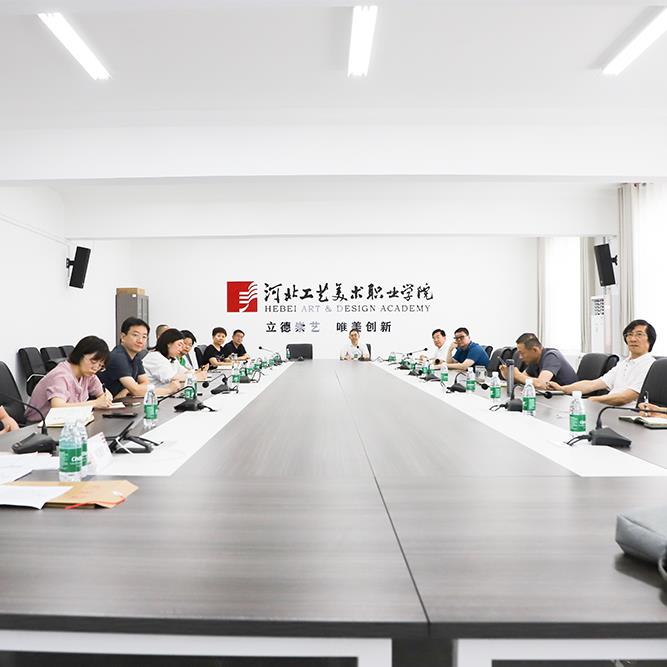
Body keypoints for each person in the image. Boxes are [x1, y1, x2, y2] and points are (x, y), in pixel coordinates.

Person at [548, 319, 656, 407]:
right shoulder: (624, 363)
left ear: (650, 340)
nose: (632, 339)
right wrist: (563, 389)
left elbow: (625, 398)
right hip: (608, 409)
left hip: (627, 413)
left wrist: (594, 400)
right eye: (629, 334)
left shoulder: (650, 365)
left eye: (639, 334)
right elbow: (593, 384)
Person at [26, 336, 113, 422]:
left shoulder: (88, 374)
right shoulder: (61, 375)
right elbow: (57, 407)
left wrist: (105, 398)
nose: (96, 368)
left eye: (100, 365)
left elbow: (104, 394)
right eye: (93, 361)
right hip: (39, 424)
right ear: (80, 355)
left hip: (67, 422)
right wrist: (94, 403)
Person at [98, 317, 180, 399]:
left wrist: (129, 389)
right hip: (106, 403)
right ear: (123, 337)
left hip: (122, 401)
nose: (140, 340)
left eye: (144, 337)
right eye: (135, 335)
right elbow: (136, 390)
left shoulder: (136, 357)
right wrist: (169, 390)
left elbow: (146, 383)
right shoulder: (118, 356)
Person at [500, 333, 578, 390]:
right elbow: (523, 380)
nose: (520, 357)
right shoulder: (534, 360)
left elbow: (540, 384)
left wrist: (517, 375)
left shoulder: (552, 356)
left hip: (568, 398)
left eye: (522, 353)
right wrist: (509, 375)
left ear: (535, 350)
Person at [143, 329, 208, 389]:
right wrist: (196, 377)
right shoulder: (155, 357)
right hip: (153, 395)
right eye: (179, 345)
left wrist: (199, 373)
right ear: (169, 343)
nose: (181, 348)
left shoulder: (171, 358)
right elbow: (171, 378)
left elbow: (185, 372)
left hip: (167, 394)